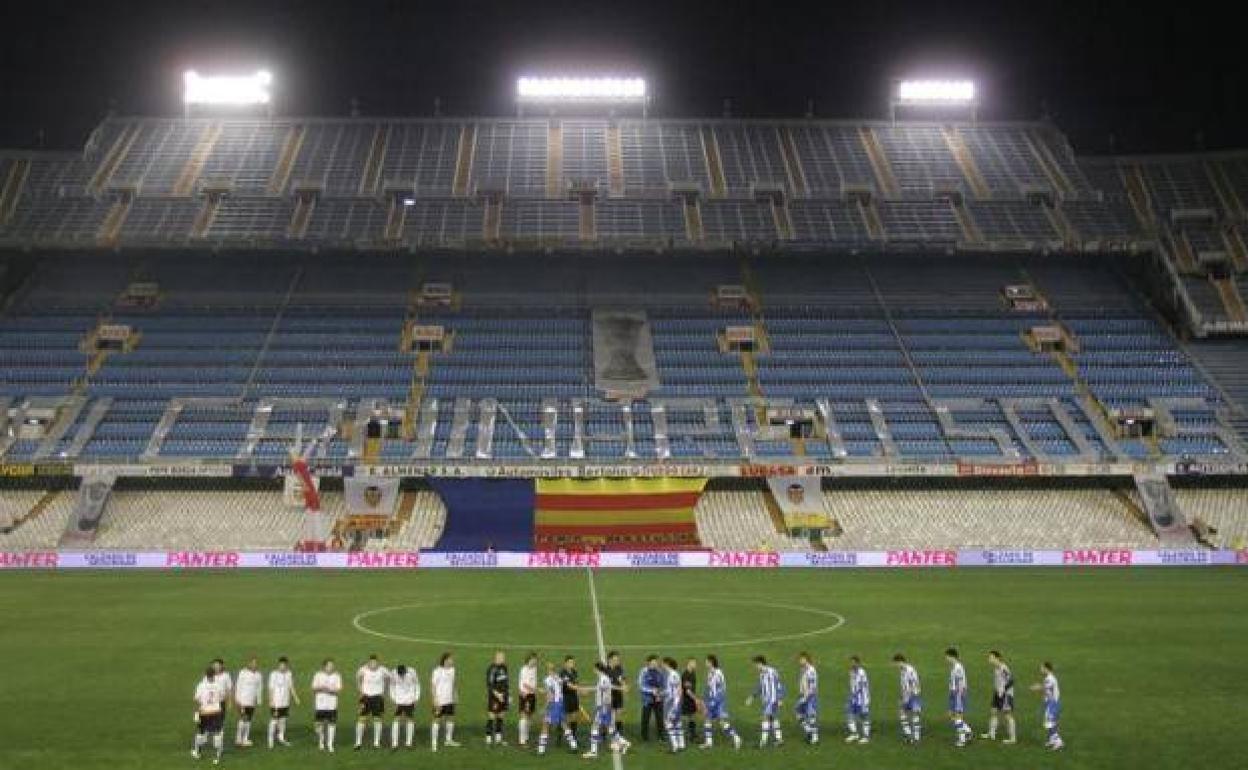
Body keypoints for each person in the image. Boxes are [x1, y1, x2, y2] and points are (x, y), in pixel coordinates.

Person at [580, 661, 632, 758]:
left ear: (597, 669)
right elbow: (603, 689)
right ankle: (624, 743)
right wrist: (588, 689)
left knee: (595, 728)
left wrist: (603, 707)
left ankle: (594, 752)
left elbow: (607, 695)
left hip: (604, 708)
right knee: (610, 729)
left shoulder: (603, 679)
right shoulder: (604, 678)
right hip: (606, 707)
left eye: (594, 668)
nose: (593, 670)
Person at [699, 654, 742, 750]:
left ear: (711, 662)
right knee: (707, 719)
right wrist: (705, 699)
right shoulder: (710, 673)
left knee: (722, 722)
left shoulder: (718, 673)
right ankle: (709, 743)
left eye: (706, 661)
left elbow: (722, 688)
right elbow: (709, 688)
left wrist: (715, 701)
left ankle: (736, 738)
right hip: (711, 701)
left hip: (718, 702)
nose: (705, 663)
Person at [538, 660, 578, 754]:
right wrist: (543, 691)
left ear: (548, 670)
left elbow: (550, 695)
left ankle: (541, 749)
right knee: (564, 723)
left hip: (554, 705)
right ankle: (573, 744)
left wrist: (544, 707)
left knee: (545, 725)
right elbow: (556, 690)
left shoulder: (547, 680)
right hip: (561, 703)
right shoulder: (558, 678)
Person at [745, 655, 784, 748]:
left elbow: (779, 685)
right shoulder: (762, 674)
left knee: (765, 718)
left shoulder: (772, 672)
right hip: (766, 701)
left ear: (760, 663)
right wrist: (752, 697)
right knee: (773, 718)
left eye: (756, 665)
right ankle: (779, 740)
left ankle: (763, 742)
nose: (755, 667)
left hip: (773, 700)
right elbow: (760, 687)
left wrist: (780, 699)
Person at [192, 667, 227, 765]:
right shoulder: (218, 685)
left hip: (205, 712)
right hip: (216, 712)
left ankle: (197, 752)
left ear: (205, 675)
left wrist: (196, 713)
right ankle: (217, 756)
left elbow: (196, 699)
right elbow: (222, 697)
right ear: (214, 675)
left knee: (201, 733)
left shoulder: (201, 685)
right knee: (217, 733)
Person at [355, 654, 390, 750]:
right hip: (365, 697)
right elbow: (358, 678)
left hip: (378, 697)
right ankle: (358, 743)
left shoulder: (383, 670)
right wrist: (361, 691)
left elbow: (389, 679)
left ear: (378, 662)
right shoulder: (363, 669)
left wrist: (385, 691)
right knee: (361, 720)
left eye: (375, 662)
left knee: (377, 720)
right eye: (372, 662)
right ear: (369, 662)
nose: (373, 664)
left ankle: (376, 743)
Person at [983, 650, 1017, 744]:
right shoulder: (996, 668)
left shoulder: (1003, 668)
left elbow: (1011, 680)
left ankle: (1013, 738)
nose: (989, 659)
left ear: (997, 658)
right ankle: (991, 733)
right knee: (993, 711)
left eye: (991, 657)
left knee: (1007, 715)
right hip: (997, 693)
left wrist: (1003, 689)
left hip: (1006, 694)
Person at [1030, 662, 1064, 751]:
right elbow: (1047, 692)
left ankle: (1058, 741)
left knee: (1049, 722)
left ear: (1046, 668)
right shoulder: (1048, 678)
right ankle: (1051, 740)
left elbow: (1044, 688)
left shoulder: (1050, 678)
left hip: (1053, 703)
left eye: (1041, 668)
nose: (1040, 669)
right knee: (1050, 722)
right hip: (1051, 703)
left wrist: (1036, 687)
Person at [266, 657, 298, 749]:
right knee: (274, 721)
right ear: (278, 665)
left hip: (285, 702)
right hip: (276, 702)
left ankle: (281, 737)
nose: (283, 667)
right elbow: (270, 688)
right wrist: (271, 701)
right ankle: (270, 740)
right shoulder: (274, 674)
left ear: (287, 665)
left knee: (283, 720)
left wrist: (295, 697)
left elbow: (291, 686)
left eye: (284, 665)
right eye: (281, 665)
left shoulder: (289, 674)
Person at [311, 659, 342, 752]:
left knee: (332, 724)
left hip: (332, 705)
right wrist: (321, 688)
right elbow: (313, 688)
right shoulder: (318, 675)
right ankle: (321, 741)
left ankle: (330, 744)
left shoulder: (337, 676)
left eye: (332, 665)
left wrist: (328, 690)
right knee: (318, 725)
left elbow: (338, 690)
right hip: (320, 704)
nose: (331, 667)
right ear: (324, 666)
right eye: (329, 666)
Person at [430, 652, 460, 750]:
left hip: (449, 700)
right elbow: (433, 686)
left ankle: (448, 740)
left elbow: (453, 683)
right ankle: (434, 743)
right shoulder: (437, 671)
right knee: (437, 720)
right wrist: (435, 700)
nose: (453, 661)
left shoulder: (452, 670)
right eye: (451, 659)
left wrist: (455, 694)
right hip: (440, 701)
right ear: (446, 660)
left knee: (450, 719)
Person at [945, 647, 973, 747]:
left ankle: (962, 740)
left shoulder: (958, 668)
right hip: (955, 694)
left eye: (947, 657)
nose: (946, 659)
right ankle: (968, 731)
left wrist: (956, 696)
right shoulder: (955, 667)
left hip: (958, 695)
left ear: (952, 656)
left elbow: (960, 684)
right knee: (952, 716)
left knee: (957, 717)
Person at [892, 653, 922, 744]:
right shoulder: (902, 671)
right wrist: (902, 696)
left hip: (913, 696)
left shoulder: (910, 670)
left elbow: (915, 683)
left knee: (915, 715)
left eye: (896, 663)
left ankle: (916, 738)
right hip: (906, 696)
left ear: (900, 661)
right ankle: (908, 735)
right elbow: (904, 686)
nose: (896, 666)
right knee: (902, 714)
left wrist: (911, 696)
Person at [389, 663, 421, 750]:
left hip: (410, 700)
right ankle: (394, 743)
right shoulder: (393, 673)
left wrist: (416, 698)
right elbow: (391, 686)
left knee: (410, 719)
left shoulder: (412, 672)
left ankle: (409, 743)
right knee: (396, 720)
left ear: (405, 671)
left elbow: (417, 684)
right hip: (399, 700)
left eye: (403, 674)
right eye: (400, 675)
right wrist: (394, 699)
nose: (401, 676)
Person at [233, 657, 263, 748]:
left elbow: (259, 688)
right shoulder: (243, 673)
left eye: (256, 663)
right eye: (252, 663)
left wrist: (259, 699)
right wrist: (238, 699)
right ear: (249, 664)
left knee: (249, 720)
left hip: (252, 701)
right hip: (243, 700)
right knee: (243, 719)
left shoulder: (258, 675)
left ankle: (245, 738)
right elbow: (238, 686)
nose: (254, 665)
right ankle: (238, 738)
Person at [661, 657, 687, 752]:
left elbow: (679, 690)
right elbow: (670, 690)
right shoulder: (672, 674)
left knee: (668, 723)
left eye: (663, 663)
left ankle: (675, 746)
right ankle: (681, 744)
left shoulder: (673, 675)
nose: (662, 665)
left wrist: (675, 704)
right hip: (674, 702)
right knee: (677, 722)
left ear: (667, 664)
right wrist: (661, 694)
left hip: (672, 703)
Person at [637, 655, 665, 741]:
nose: (655, 664)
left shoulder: (660, 672)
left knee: (660, 718)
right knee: (645, 718)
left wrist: (660, 694)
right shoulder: (643, 672)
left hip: (658, 699)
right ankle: (644, 736)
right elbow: (641, 686)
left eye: (656, 662)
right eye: (653, 663)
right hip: (647, 700)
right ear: (648, 663)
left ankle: (661, 736)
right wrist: (652, 691)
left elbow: (663, 684)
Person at [485, 650, 510, 746]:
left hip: (503, 696)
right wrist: (497, 695)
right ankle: (488, 738)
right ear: (496, 658)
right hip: (495, 697)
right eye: (501, 657)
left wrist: (508, 694)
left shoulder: (504, 667)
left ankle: (498, 738)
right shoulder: (492, 669)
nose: (503, 659)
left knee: (501, 716)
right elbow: (490, 685)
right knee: (492, 716)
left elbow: (506, 682)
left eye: (503, 657)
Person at [795, 652, 820, 745]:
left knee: (811, 717)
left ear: (806, 659)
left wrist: (806, 697)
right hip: (803, 696)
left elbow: (812, 686)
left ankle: (815, 738)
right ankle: (809, 731)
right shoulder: (803, 669)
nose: (800, 661)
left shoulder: (811, 670)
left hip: (810, 697)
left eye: (802, 659)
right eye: (799, 659)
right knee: (798, 714)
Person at [845, 655, 871, 744]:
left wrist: (855, 695)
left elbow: (861, 687)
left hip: (862, 699)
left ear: (858, 663)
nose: (852, 664)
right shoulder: (851, 672)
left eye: (854, 662)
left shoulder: (861, 672)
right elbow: (852, 685)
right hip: (853, 698)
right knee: (849, 714)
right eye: (851, 662)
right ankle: (854, 734)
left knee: (864, 716)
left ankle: (866, 737)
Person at [560, 656, 584, 745]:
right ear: (565, 663)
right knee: (565, 717)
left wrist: (579, 692)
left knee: (574, 716)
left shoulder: (574, 672)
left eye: (573, 662)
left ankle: (573, 736)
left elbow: (576, 683)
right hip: (566, 697)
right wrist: (580, 689)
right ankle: (560, 736)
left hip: (574, 697)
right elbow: (568, 685)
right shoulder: (563, 673)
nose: (572, 664)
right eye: (570, 662)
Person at [518, 652, 538, 747]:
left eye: (535, 660)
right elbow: (525, 684)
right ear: (528, 660)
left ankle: (526, 736)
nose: (534, 661)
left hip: (532, 695)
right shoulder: (524, 670)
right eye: (533, 660)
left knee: (530, 716)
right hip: (525, 696)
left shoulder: (534, 669)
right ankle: (522, 741)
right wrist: (537, 690)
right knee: (524, 717)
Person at [606, 651, 627, 738]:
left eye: (618, 659)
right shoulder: (605, 670)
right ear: (610, 660)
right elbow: (607, 685)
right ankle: (604, 732)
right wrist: (621, 688)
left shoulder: (619, 668)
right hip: (608, 694)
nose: (617, 661)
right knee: (608, 713)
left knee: (619, 712)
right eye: (615, 659)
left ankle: (618, 731)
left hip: (618, 694)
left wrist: (624, 685)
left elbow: (621, 678)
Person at [680, 658, 699, 742]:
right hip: (687, 699)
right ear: (689, 663)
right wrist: (696, 699)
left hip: (691, 699)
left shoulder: (693, 673)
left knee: (691, 717)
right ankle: (689, 735)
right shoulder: (686, 675)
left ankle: (692, 734)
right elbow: (687, 691)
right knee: (688, 717)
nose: (695, 665)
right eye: (693, 663)